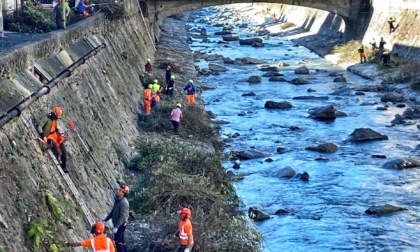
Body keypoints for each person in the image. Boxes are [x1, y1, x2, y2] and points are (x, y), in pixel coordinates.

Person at [37, 106, 68, 173]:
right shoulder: (47, 118)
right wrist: (43, 136)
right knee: (54, 144)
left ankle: (64, 165)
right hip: (48, 137)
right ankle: (58, 159)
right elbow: (39, 126)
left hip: (55, 136)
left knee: (63, 148)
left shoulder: (54, 120)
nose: (57, 118)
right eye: (57, 116)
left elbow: (55, 129)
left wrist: (60, 134)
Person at [104, 182, 130, 252]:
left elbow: (122, 217)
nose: (117, 191)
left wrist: (116, 227)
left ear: (123, 193)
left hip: (121, 225)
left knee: (118, 242)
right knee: (121, 241)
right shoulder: (118, 200)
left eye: (119, 190)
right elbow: (113, 211)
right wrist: (105, 220)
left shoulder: (124, 203)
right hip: (117, 224)